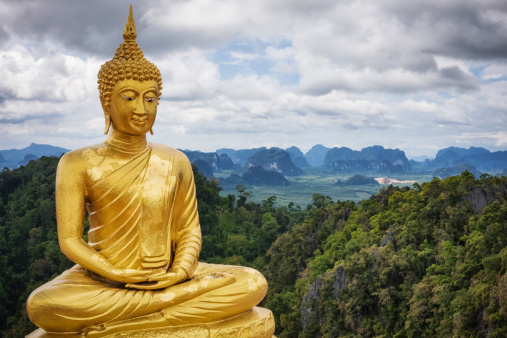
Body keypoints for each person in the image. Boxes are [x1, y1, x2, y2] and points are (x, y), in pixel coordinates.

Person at [26, 6, 272, 336]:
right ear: (106, 102)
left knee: (253, 282)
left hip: (170, 277)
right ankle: (173, 306)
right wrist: (117, 275)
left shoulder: (175, 161)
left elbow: (189, 230)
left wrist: (181, 272)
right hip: (104, 280)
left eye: (151, 99)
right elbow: (70, 240)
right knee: (43, 306)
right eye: (129, 97)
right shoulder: (76, 163)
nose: (142, 109)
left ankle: (141, 322)